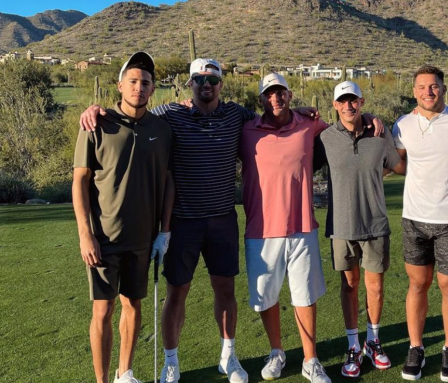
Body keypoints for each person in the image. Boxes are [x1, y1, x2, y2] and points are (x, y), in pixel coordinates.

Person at [80, 58, 253, 383]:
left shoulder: (236, 115)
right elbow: (132, 112)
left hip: (222, 219)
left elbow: (272, 121)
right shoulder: (169, 115)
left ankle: (228, 357)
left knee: (225, 289)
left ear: (220, 84)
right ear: (190, 83)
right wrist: (95, 109)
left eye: (213, 80)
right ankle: (171, 362)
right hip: (183, 223)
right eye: (199, 79)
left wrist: (303, 114)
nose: (207, 84)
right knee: (177, 292)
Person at [73, 52, 173, 383]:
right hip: (103, 238)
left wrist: (164, 231)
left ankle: (124, 373)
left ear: (153, 89)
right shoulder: (96, 124)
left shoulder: (162, 129)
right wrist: (85, 235)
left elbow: (169, 180)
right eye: (132, 81)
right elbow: (80, 181)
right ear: (119, 85)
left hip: (143, 239)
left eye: (145, 83)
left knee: (133, 305)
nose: (139, 88)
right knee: (103, 310)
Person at [392, 65, 448, 382]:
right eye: (421, 87)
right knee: (418, 284)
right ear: (414, 90)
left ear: (444, 88)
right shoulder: (402, 125)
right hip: (415, 219)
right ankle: (416, 348)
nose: (427, 92)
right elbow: (400, 164)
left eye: (434, 86)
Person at [239, 73, 332, 383]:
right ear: (262, 99)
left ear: (290, 96)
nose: (275, 98)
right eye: (269, 93)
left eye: (281, 92)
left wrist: (369, 116)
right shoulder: (246, 130)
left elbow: (345, 128)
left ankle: (310, 359)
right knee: (266, 296)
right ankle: (276, 351)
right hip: (261, 229)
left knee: (305, 295)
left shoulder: (308, 124)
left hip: (302, 226)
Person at [314, 80, 405, 378]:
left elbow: (399, 165)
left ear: (362, 102)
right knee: (349, 285)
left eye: (354, 100)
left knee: (375, 286)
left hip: (375, 223)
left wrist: (382, 171)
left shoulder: (379, 134)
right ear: (335, 105)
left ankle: (373, 341)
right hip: (341, 226)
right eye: (343, 101)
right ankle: (353, 344)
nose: (349, 105)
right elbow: (302, 160)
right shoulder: (325, 137)